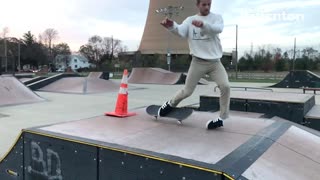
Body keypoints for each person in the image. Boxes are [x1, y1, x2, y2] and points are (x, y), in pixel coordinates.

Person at [158, 0, 230, 129]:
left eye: (209, 4)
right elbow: (181, 31)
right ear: (197, 5)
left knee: (225, 86)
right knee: (187, 91)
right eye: (204, 4)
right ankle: (170, 104)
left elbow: (217, 29)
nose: (207, 7)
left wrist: (203, 25)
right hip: (198, 62)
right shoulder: (190, 20)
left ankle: (222, 118)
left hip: (215, 63)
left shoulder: (216, 18)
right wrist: (171, 26)